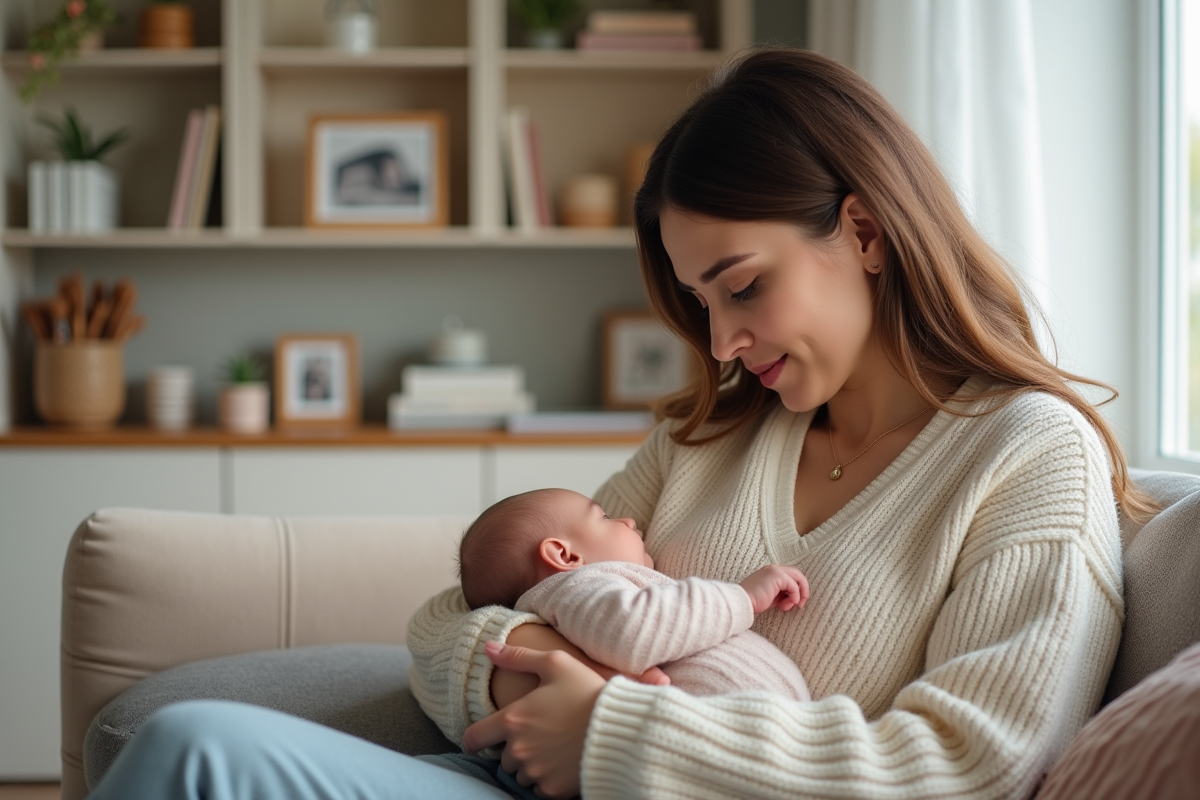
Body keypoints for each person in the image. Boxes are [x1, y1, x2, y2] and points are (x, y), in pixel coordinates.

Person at [86, 47, 1153, 799]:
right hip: (515, 777)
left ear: (864, 230)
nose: (722, 340)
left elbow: (975, 762)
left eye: (741, 286)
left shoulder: (1028, 455)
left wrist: (615, 729)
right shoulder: (714, 438)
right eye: (700, 303)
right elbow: (447, 620)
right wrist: (535, 656)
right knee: (192, 747)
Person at [458, 487, 812, 701]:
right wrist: (742, 598)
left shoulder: (582, 596)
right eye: (606, 516)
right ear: (565, 556)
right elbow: (634, 630)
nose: (627, 520)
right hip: (704, 738)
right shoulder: (578, 588)